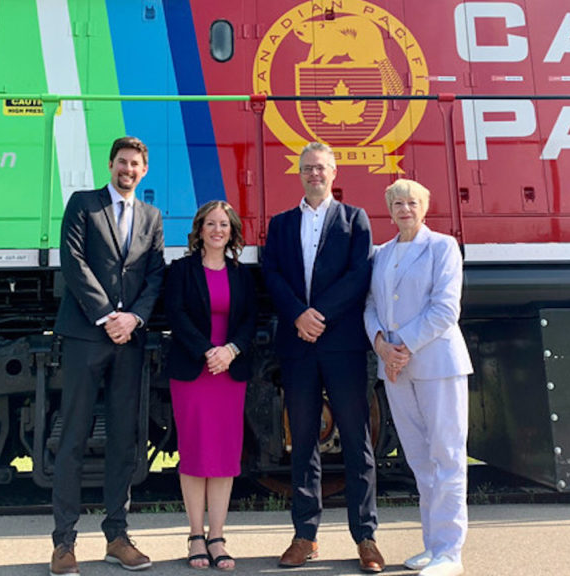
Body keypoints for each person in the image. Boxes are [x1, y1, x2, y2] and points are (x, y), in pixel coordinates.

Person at [262, 142, 384, 573]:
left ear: (334, 173)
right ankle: (305, 536)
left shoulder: (355, 220)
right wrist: (298, 314)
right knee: (302, 446)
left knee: (356, 441)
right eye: (308, 168)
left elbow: (360, 274)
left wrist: (320, 314)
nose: (315, 174)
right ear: (299, 173)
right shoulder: (280, 225)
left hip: (342, 345)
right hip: (298, 346)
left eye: (322, 168)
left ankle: (365, 538)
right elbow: (270, 273)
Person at [50, 136, 165, 575]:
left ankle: (117, 536)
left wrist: (133, 319)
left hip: (129, 340)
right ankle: (64, 544)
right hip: (86, 335)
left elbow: (154, 273)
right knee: (74, 437)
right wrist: (107, 315)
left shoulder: (151, 216)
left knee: (124, 441)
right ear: (111, 164)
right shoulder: (83, 204)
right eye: (122, 162)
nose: (128, 170)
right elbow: (73, 261)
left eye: (136, 164)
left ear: (144, 170)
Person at [363, 179, 472, 576]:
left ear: (424, 207)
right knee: (420, 459)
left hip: (437, 364)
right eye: (396, 202)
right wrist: (381, 346)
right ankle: (432, 545)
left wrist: (401, 347)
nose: (404, 208)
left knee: (447, 455)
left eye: (411, 202)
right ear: (388, 209)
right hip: (395, 368)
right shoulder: (381, 254)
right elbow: (372, 304)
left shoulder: (442, 247)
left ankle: (450, 551)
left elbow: (445, 309)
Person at [165, 200, 257, 571]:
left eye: (224, 225)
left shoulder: (242, 274)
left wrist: (230, 351)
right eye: (211, 224)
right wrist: (207, 351)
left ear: (232, 232)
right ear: (199, 229)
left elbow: (251, 318)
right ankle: (194, 535)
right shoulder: (182, 270)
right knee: (195, 452)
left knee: (222, 456)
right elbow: (176, 314)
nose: (217, 230)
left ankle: (217, 536)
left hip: (229, 373)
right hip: (194, 370)